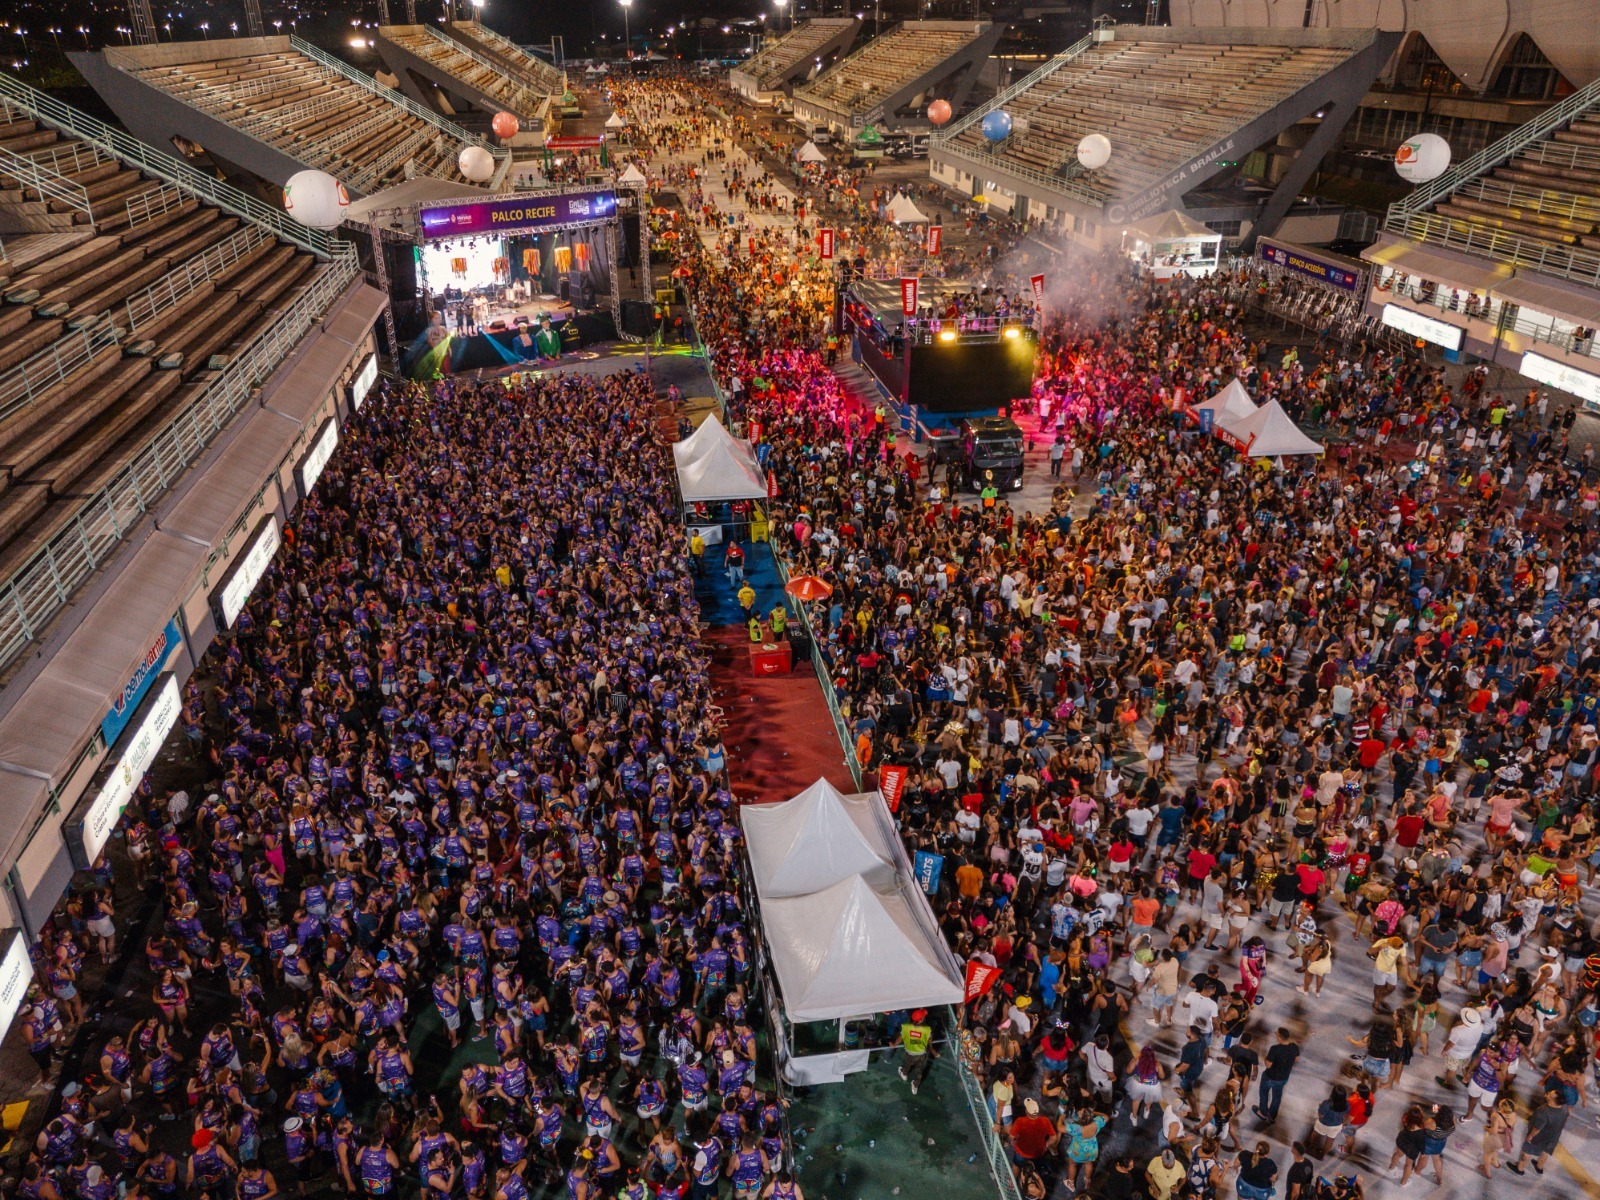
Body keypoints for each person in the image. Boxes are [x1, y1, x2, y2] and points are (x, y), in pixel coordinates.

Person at [1508, 1086, 1570, 1175]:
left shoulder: (1544, 1112)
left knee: (1527, 1152)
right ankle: (1539, 1167)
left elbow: (1536, 1129)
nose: (1547, 1093)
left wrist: (1530, 1137)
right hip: (1553, 1137)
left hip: (1538, 1138)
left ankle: (1520, 1169)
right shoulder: (1564, 1108)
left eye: (1549, 1094)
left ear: (1552, 1100)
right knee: (1545, 1152)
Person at [1253, 1027, 1299, 1124]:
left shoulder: (1275, 1049)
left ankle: (1263, 1113)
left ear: (1279, 1037)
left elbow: (1268, 1065)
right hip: (1283, 1077)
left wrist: (1265, 1057)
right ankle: (1272, 1116)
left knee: (1264, 1093)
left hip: (1270, 1077)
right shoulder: (1294, 1047)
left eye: (1276, 1034)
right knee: (1277, 1097)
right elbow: (1297, 1059)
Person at [897, 1009, 935, 1094]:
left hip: (910, 1053)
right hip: (921, 1054)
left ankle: (904, 1073)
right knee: (919, 1071)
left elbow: (900, 1037)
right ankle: (915, 1085)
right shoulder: (927, 1029)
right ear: (921, 1020)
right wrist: (931, 1048)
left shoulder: (906, 1027)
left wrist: (894, 1044)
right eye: (923, 1017)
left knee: (907, 1064)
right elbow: (930, 1040)